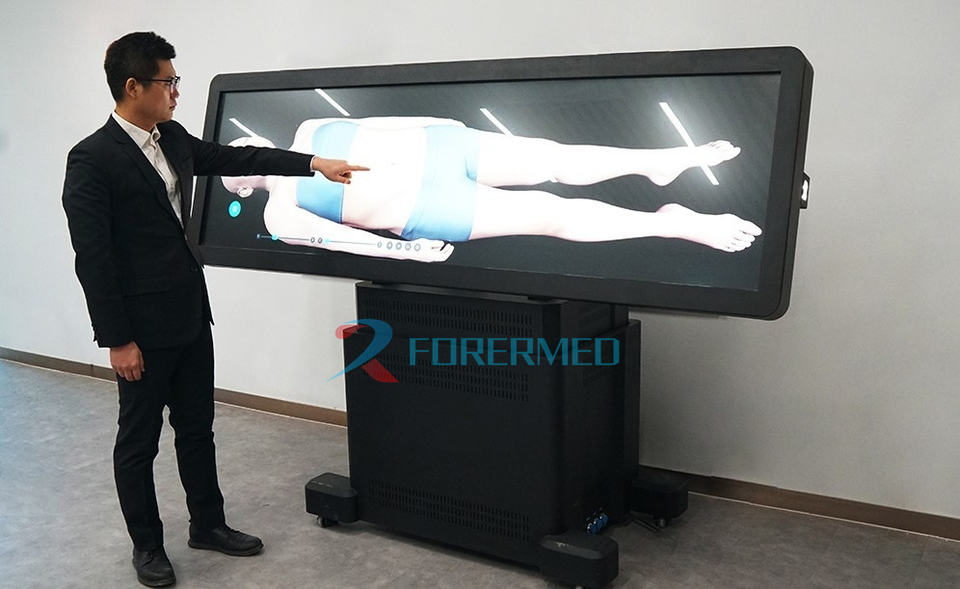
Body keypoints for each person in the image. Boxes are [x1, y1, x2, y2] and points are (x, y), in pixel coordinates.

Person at [61, 32, 366, 588]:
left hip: (189, 315)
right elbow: (94, 259)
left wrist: (314, 162)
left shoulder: (173, 138)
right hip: (141, 332)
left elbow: (237, 157)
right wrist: (117, 340)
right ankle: (147, 547)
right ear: (133, 87)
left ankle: (208, 524)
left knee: (197, 429)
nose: (176, 92)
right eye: (168, 81)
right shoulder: (92, 159)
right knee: (138, 443)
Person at [222, 116, 761, 262]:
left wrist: (438, 122)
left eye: (241, 142)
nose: (243, 147)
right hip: (429, 207)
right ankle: (671, 224)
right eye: (233, 160)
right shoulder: (280, 214)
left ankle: (658, 163)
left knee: (554, 157)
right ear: (243, 188)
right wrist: (404, 250)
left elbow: (379, 122)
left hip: (440, 147)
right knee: (551, 214)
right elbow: (345, 241)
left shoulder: (310, 128)